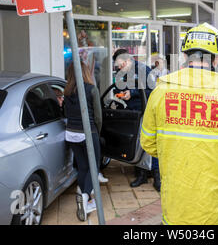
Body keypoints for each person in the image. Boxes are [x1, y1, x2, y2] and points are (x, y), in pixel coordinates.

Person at [140, 22, 218, 225]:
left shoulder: (161, 90)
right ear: (217, 57)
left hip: (177, 206)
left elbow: (148, 143)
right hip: (216, 208)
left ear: (185, 55)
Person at [63, 62, 107, 221]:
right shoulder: (92, 89)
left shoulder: (66, 92)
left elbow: (66, 112)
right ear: (86, 72)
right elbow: (98, 117)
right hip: (87, 133)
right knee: (94, 167)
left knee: (82, 167)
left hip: (71, 134)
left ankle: (86, 200)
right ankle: (85, 195)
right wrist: (97, 132)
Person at [112, 49, 160, 191]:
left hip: (146, 112)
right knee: (137, 144)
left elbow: (151, 91)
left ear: (128, 60)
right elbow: (117, 87)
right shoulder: (122, 73)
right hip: (133, 113)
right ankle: (141, 175)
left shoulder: (143, 70)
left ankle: (157, 177)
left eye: (121, 65)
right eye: (118, 66)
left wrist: (131, 93)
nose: (119, 68)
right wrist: (119, 93)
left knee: (151, 143)